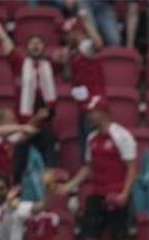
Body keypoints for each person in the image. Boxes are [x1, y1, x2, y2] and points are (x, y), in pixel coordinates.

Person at [57, 96, 139, 240]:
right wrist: (70, 185)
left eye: (92, 113)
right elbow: (88, 167)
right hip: (97, 193)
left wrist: (125, 193)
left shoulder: (121, 135)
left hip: (116, 194)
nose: (89, 116)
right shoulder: (92, 138)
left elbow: (131, 167)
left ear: (103, 113)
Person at [0, 12, 58, 180]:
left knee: (49, 171)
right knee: (18, 169)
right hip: (24, 125)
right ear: (27, 48)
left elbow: (68, 68)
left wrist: (63, 58)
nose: (35, 46)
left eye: (39, 43)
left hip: (46, 126)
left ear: (44, 47)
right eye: (32, 43)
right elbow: (4, 39)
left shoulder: (51, 65)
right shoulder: (19, 63)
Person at [56, 12, 106, 146]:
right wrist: (65, 62)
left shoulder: (85, 46)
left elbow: (98, 44)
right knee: (84, 145)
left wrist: (86, 22)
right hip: (82, 106)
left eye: (68, 34)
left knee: (91, 144)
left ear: (76, 33)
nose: (65, 38)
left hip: (94, 105)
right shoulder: (73, 52)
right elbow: (67, 77)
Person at [0, 107, 37, 185]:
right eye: (12, 120)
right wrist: (22, 127)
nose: (16, 122)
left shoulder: (13, 138)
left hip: (11, 183)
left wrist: (37, 118)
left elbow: (28, 133)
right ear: (0, 122)